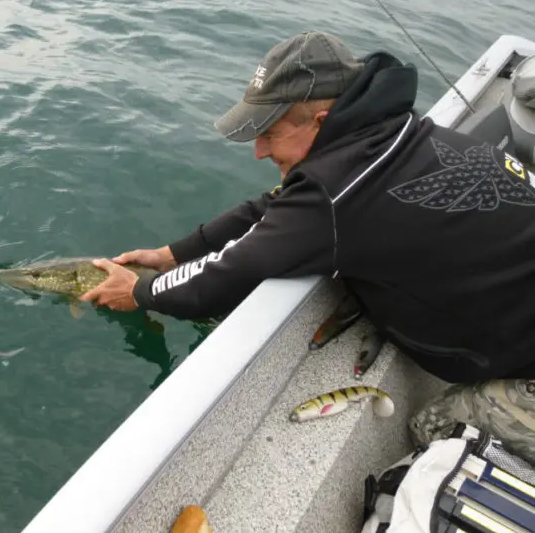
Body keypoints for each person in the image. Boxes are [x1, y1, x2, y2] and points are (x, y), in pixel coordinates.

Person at [79, 30, 535, 459]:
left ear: (319, 122)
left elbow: (226, 275)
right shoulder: (391, 137)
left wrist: (138, 292)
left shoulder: (336, 191)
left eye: (269, 133)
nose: (258, 150)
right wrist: (172, 254)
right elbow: (278, 208)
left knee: (433, 430)